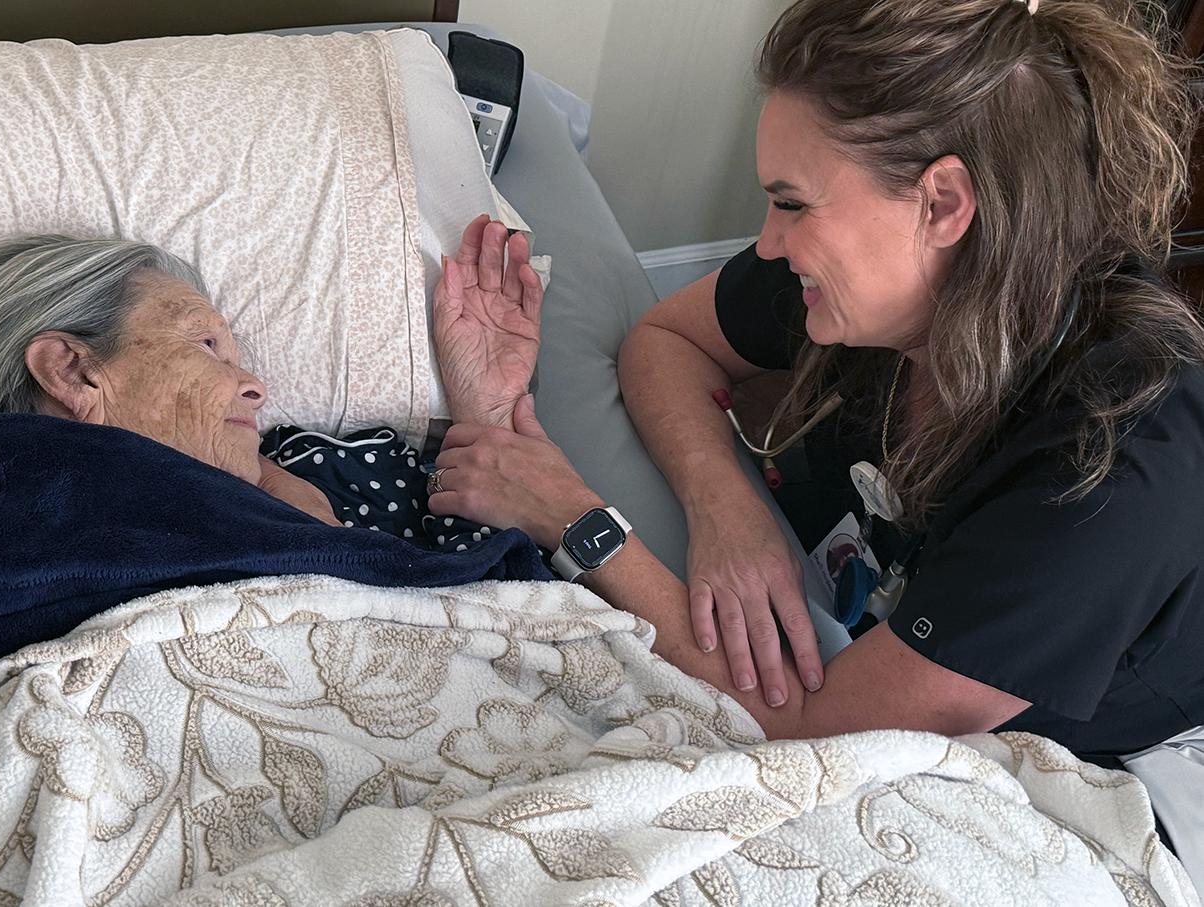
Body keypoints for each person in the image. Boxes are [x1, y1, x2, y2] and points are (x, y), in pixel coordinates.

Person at [429, 0, 1204, 767]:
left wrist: (574, 519)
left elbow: (815, 729)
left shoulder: (1107, 473)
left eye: (792, 204)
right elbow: (664, 341)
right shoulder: (892, 278)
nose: (770, 243)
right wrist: (723, 504)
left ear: (942, 204)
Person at [0, 214, 541, 537]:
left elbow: (509, 602)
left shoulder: (333, 472)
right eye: (206, 344)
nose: (257, 388)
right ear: (72, 371)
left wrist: (489, 407)